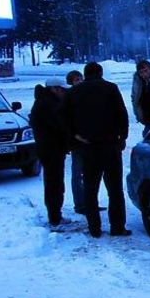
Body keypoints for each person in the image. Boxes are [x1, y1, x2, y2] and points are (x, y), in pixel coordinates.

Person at [66, 62, 130, 238]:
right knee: (115, 189)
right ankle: (117, 227)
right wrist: (122, 137)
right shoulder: (110, 88)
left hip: (88, 146)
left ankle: (94, 229)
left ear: (85, 75)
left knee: (90, 189)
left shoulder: (73, 92)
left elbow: (64, 118)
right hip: (110, 145)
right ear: (100, 73)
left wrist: (75, 137)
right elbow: (121, 113)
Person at [30, 78, 70, 227]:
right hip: (51, 149)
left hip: (49, 148)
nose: (64, 93)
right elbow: (60, 126)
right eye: (62, 90)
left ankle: (55, 215)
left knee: (54, 182)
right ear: (54, 89)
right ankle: (55, 217)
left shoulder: (44, 101)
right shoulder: (49, 104)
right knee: (54, 183)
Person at [65, 70, 89, 214]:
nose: (79, 81)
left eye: (80, 78)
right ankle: (80, 204)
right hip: (77, 142)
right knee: (77, 174)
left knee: (88, 174)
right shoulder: (69, 97)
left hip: (88, 141)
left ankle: (89, 201)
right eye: (75, 79)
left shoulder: (87, 95)